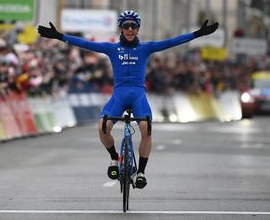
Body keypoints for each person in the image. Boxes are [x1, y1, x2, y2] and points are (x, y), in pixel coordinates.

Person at [37, 10, 218, 189]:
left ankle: (141, 172)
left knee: (146, 129)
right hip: (119, 96)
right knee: (103, 127)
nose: (130, 29)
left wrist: (198, 34)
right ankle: (114, 158)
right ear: (121, 29)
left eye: (134, 26)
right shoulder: (112, 48)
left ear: (138, 29)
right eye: (126, 26)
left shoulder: (146, 48)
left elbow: (172, 42)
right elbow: (84, 44)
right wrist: (59, 36)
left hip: (138, 95)